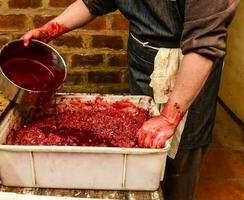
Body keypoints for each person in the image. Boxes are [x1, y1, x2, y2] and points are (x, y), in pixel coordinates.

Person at [21, 0, 239, 199]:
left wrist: (169, 118)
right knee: (140, 144)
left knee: (181, 158)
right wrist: (51, 28)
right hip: (144, 55)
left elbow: (204, 46)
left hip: (190, 65)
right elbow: (94, 2)